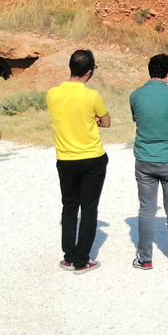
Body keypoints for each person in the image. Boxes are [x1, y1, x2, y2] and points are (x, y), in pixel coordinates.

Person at [46, 49, 110, 274]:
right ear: (90, 72)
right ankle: (82, 260)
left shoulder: (52, 94)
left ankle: (69, 256)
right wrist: (94, 120)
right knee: (89, 208)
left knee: (69, 206)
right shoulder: (91, 96)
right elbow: (106, 121)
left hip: (65, 158)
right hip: (92, 157)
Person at [129, 54, 168, 269]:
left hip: (145, 158)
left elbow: (137, 119)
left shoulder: (135, 95)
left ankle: (145, 258)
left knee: (146, 208)